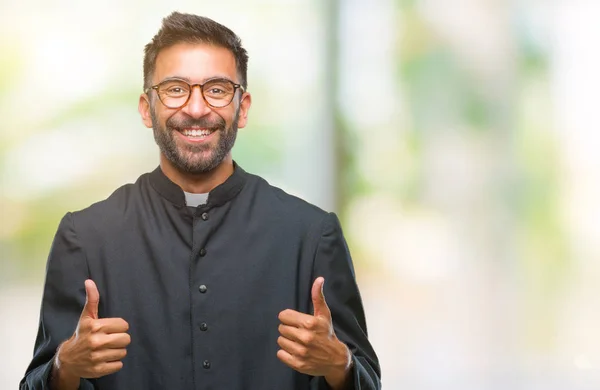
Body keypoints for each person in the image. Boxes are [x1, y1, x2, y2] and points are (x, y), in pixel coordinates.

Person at [20, 12, 381, 390]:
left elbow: (368, 381)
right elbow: (35, 382)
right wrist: (65, 365)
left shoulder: (311, 235)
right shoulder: (85, 236)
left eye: (218, 89)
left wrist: (340, 365)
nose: (196, 108)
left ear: (242, 108)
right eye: (175, 89)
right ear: (147, 108)